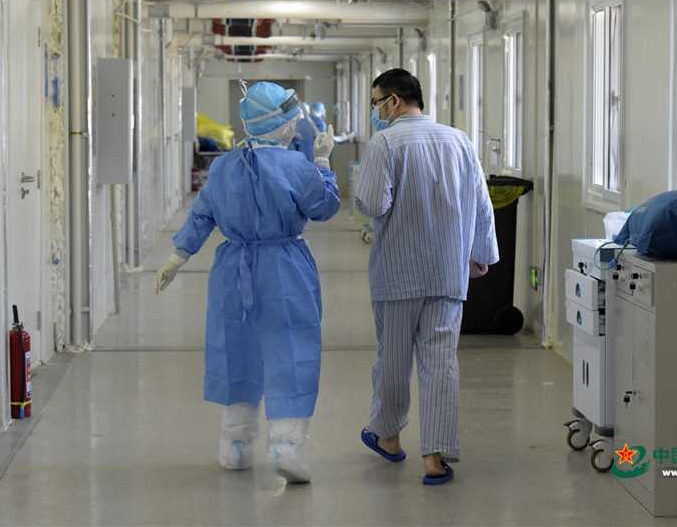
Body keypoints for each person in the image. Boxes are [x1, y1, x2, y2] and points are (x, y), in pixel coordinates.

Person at [155, 80, 340, 483]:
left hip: (233, 268)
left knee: (236, 352)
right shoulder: (297, 166)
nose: (294, 129)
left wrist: (176, 259)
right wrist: (324, 163)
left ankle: (235, 446)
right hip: (286, 268)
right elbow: (324, 207)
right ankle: (288, 448)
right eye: (290, 122)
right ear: (280, 124)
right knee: (291, 351)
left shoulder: (223, 166)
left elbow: (201, 216)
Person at [352, 68, 498, 486]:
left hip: (396, 275)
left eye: (377, 103)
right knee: (440, 362)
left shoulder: (385, 143)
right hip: (448, 273)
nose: (376, 112)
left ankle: (388, 437)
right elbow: (481, 202)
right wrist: (482, 253)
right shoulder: (459, 140)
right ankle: (436, 458)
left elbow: (372, 204)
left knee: (393, 360)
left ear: (394, 101)